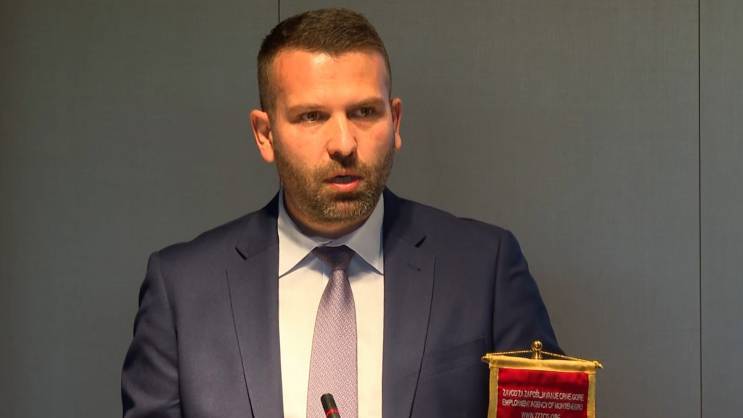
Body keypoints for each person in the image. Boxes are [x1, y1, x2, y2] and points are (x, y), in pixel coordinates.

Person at [121, 8, 559, 418]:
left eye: (364, 112)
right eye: (312, 116)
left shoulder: (485, 268)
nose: (344, 144)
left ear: (395, 121)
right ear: (265, 134)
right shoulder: (182, 289)